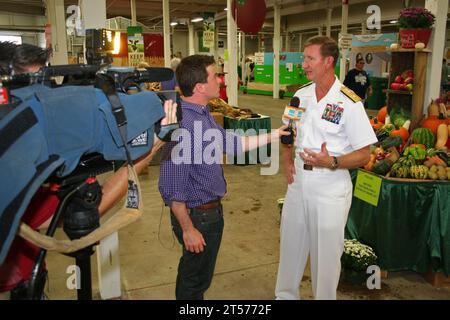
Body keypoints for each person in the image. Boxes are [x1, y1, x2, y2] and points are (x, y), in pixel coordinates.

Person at [0, 41, 178, 299]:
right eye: (33, 92)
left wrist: (151, 143)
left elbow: (66, 216)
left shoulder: (44, 153)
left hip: (30, 283)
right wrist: (152, 146)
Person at [158, 54, 289, 300]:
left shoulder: (202, 115)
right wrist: (188, 229)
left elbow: (233, 144)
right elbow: (173, 186)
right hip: (198, 216)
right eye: (214, 75)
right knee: (194, 281)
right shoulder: (186, 125)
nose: (220, 80)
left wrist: (274, 135)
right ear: (199, 87)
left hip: (205, 214)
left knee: (198, 276)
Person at [275, 36, 377, 300]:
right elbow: (288, 133)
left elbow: (365, 153)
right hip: (298, 183)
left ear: (328, 61)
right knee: (291, 247)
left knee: (326, 258)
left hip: (330, 186)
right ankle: (285, 296)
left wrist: (331, 161)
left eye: (310, 58)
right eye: (304, 58)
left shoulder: (349, 102)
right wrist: (287, 160)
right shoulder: (300, 95)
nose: (304, 64)